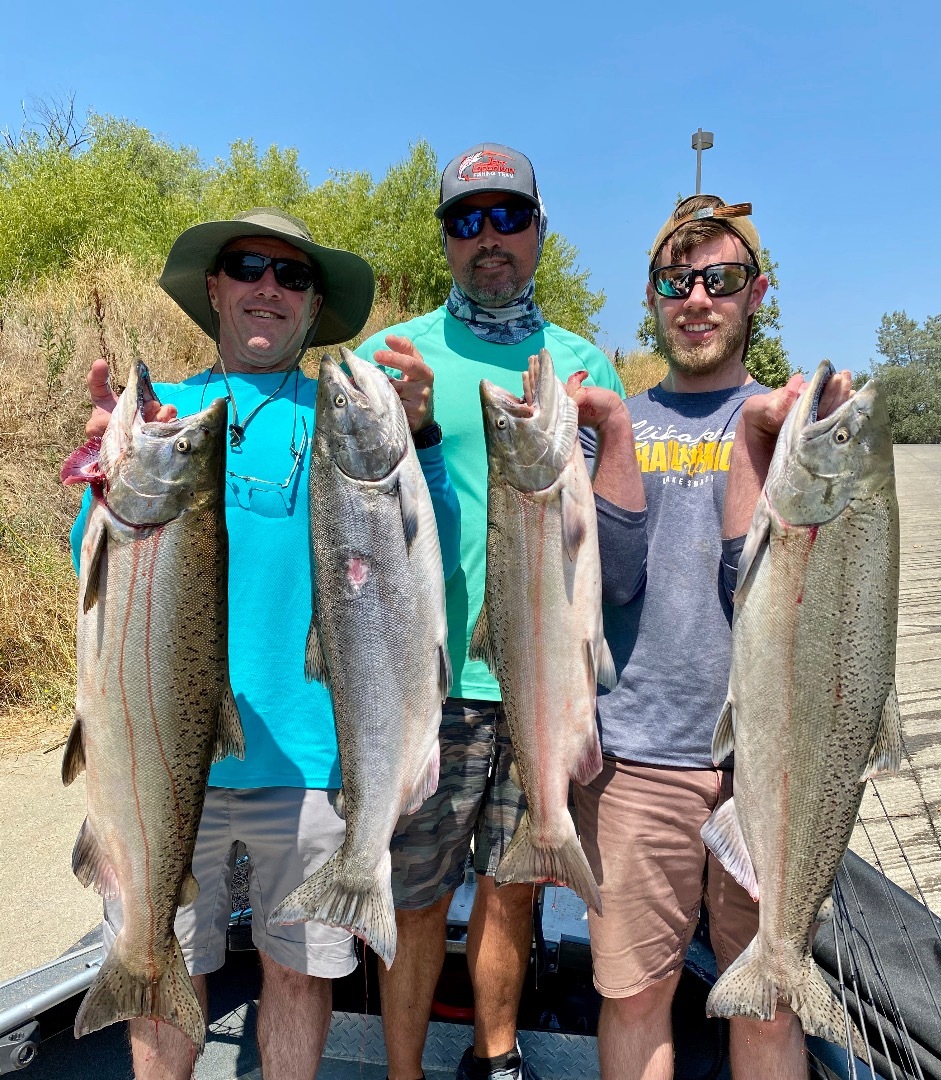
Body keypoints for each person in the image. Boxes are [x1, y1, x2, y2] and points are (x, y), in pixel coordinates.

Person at [72, 207, 460, 1080]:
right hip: (159, 761)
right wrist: (103, 476)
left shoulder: (352, 414)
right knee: (163, 963)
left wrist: (421, 440)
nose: (267, 289)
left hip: (319, 759)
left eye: (291, 277)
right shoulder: (167, 415)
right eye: (248, 266)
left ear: (314, 305)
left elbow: (414, 558)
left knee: (296, 973)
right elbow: (88, 572)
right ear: (214, 287)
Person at [355, 144, 627, 1080]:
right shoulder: (385, 359)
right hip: (426, 682)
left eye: (506, 217)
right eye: (465, 221)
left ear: (539, 231)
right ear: (445, 241)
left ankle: (497, 1057)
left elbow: (613, 538)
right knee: (417, 894)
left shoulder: (585, 366)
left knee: (513, 889)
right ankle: (401, 1070)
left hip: (543, 679)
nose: (488, 239)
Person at [569, 194, 853, 1080]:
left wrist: (757, 454)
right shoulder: (611, 425)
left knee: (768, 1002)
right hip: (633, 760)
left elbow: (761, 592)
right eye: (674, 281)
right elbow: (609, 581)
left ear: (754, 293)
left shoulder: (792, 427)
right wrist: (609, 432)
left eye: (718, 280)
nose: (696, 298)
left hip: (771, 770)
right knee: (632, 996)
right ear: (650, 298)